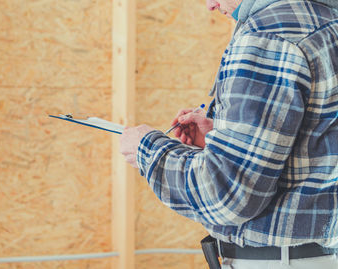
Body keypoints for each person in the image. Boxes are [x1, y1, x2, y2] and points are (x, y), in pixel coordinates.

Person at [120, 0, 338, 268]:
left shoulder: (269, 35)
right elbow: (314, 143)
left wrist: (146, 148)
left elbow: (228, 195)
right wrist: (222, 136)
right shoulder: (326, 22)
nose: (211, 5)